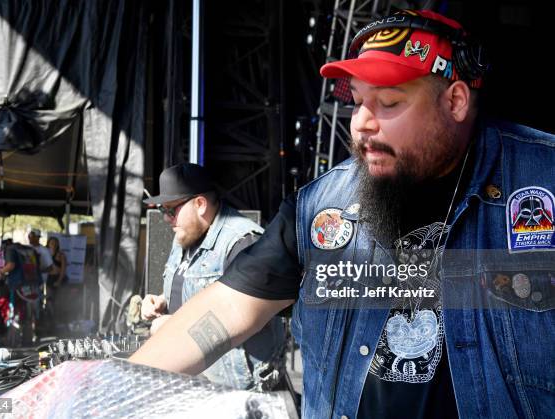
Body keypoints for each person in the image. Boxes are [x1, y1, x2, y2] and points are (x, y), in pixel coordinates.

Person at [129, 9, 555, 418]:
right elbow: (226, 309)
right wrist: (110, 387)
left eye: (388, 102)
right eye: (357, 100)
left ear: (456, 101)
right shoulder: (321, 207)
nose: (361, 123)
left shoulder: (542, 181)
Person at [140, 163, 286, 390]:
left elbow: (241, 316)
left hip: (239, 391)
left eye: (171, 210)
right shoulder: (184, 236)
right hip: (195, 382)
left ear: (199, 204)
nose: (167, 219)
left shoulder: (243, 242)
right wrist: (161, 301)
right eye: (162, 211)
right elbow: (195, 291)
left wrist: (173, 329)